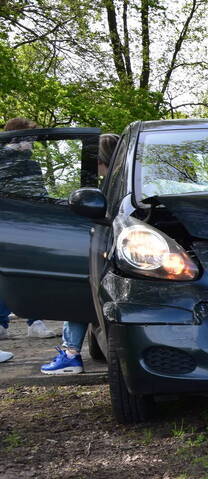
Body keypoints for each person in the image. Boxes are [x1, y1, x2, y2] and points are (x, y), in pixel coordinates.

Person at [40, 133, 121, 375]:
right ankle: (71, 352)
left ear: (102, 161)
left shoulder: (108, 188)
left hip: (108, 255)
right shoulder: (124, 185)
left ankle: (71, 354)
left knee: (76, 295)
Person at [0, 117, 57, 340]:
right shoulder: (2, 156)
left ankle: (36, 322)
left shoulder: (32, 163)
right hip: (7, 224)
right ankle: (1, 325)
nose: (33, 142)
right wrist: (12, 150)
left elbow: (38, 192)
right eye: (29, 137)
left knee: (32, 274)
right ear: (16, 137)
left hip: (33, 225)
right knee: (4, 274)